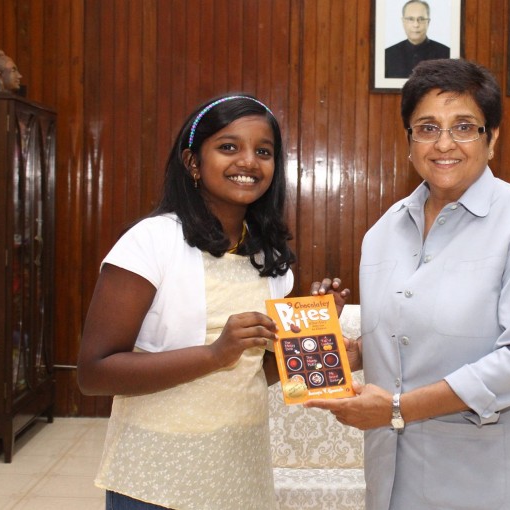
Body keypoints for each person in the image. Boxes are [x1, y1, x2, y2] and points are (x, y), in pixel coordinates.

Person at [306, 59, 510, 509]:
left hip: (492, 483)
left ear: (492, 139)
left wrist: (397, 409)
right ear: (409, 141)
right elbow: (403, 341)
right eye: (427, 128)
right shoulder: (382, 233)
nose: (444, 143)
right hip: (396, 480)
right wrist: (333, 345)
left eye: (464, 127)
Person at [77, 94, 347, 510]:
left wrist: (317, 333)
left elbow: (259, 374)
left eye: (263, 151)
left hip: (240, 472)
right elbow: (94, 374)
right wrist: (215, 353)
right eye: (228, 147)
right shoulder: (151, 242)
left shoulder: (270, 262)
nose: (248, 162)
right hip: (156, 478)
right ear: (192, 163)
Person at [384, 0, 450, 79]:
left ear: (428, 22)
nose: (416, 25)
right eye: (410, 19)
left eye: (421, 19)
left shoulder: (446, 54)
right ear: (403, 22)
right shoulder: (387, 55)